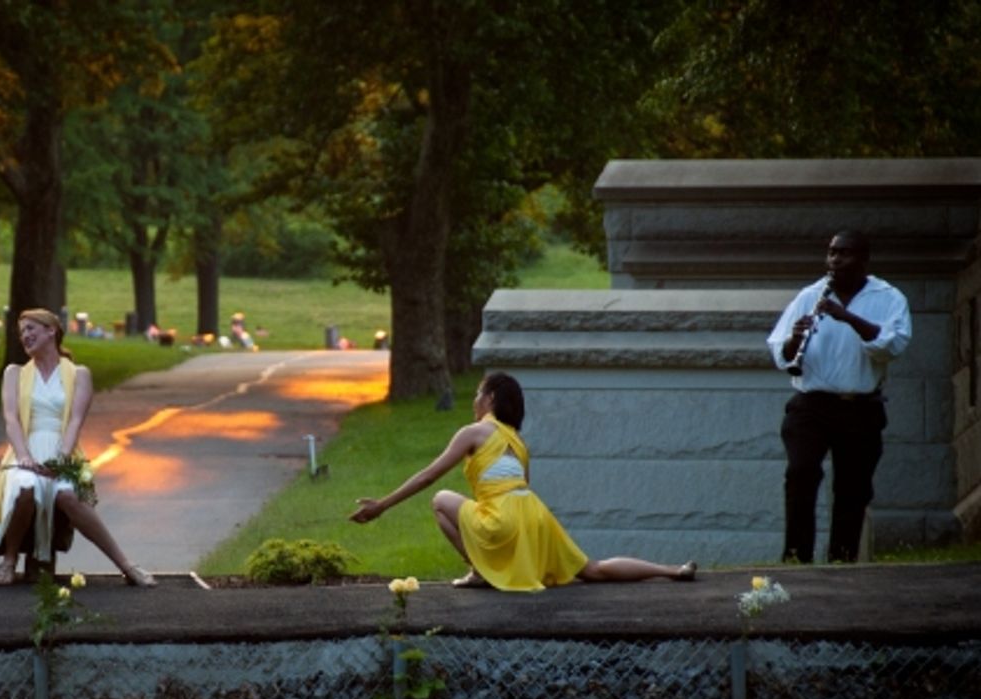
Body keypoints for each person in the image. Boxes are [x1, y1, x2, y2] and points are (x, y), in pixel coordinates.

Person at [349, 372, 696, 590]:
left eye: (478, 394)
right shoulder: (518, 442)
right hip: (536, 518)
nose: (474, 401)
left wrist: (383, 505)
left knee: (440, 500)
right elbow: (522, 486)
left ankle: (478, 571)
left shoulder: (475, 432)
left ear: (490, 399)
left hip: (503, 520)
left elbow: (428, 476)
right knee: (593, 570)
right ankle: (672, 570)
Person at [0, 309, 155, 587]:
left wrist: (61, 460)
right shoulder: (14, 373)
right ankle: (9, 560)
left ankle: (126, 565)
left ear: (51, 331)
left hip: (63, 451)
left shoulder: (79, 375)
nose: (25, 336)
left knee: (68, 495)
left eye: (31, 329)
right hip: (26, 450)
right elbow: (11, 419)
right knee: (25, 487)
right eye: (22, 332)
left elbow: (75, 421)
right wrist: (24, 456)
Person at [767, 231, 911, 563]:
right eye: (832, 252)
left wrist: (846, 317)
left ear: (864, 260)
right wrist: (794, 340)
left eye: (844, 253)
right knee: (800, 473)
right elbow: (780, 351)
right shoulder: (810, 295)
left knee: (853, 487)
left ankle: (842, 559)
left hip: (860, 407)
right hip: (811, 406)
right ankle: (796, 556)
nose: (835, 260)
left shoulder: (889, 298)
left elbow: (892, 345)